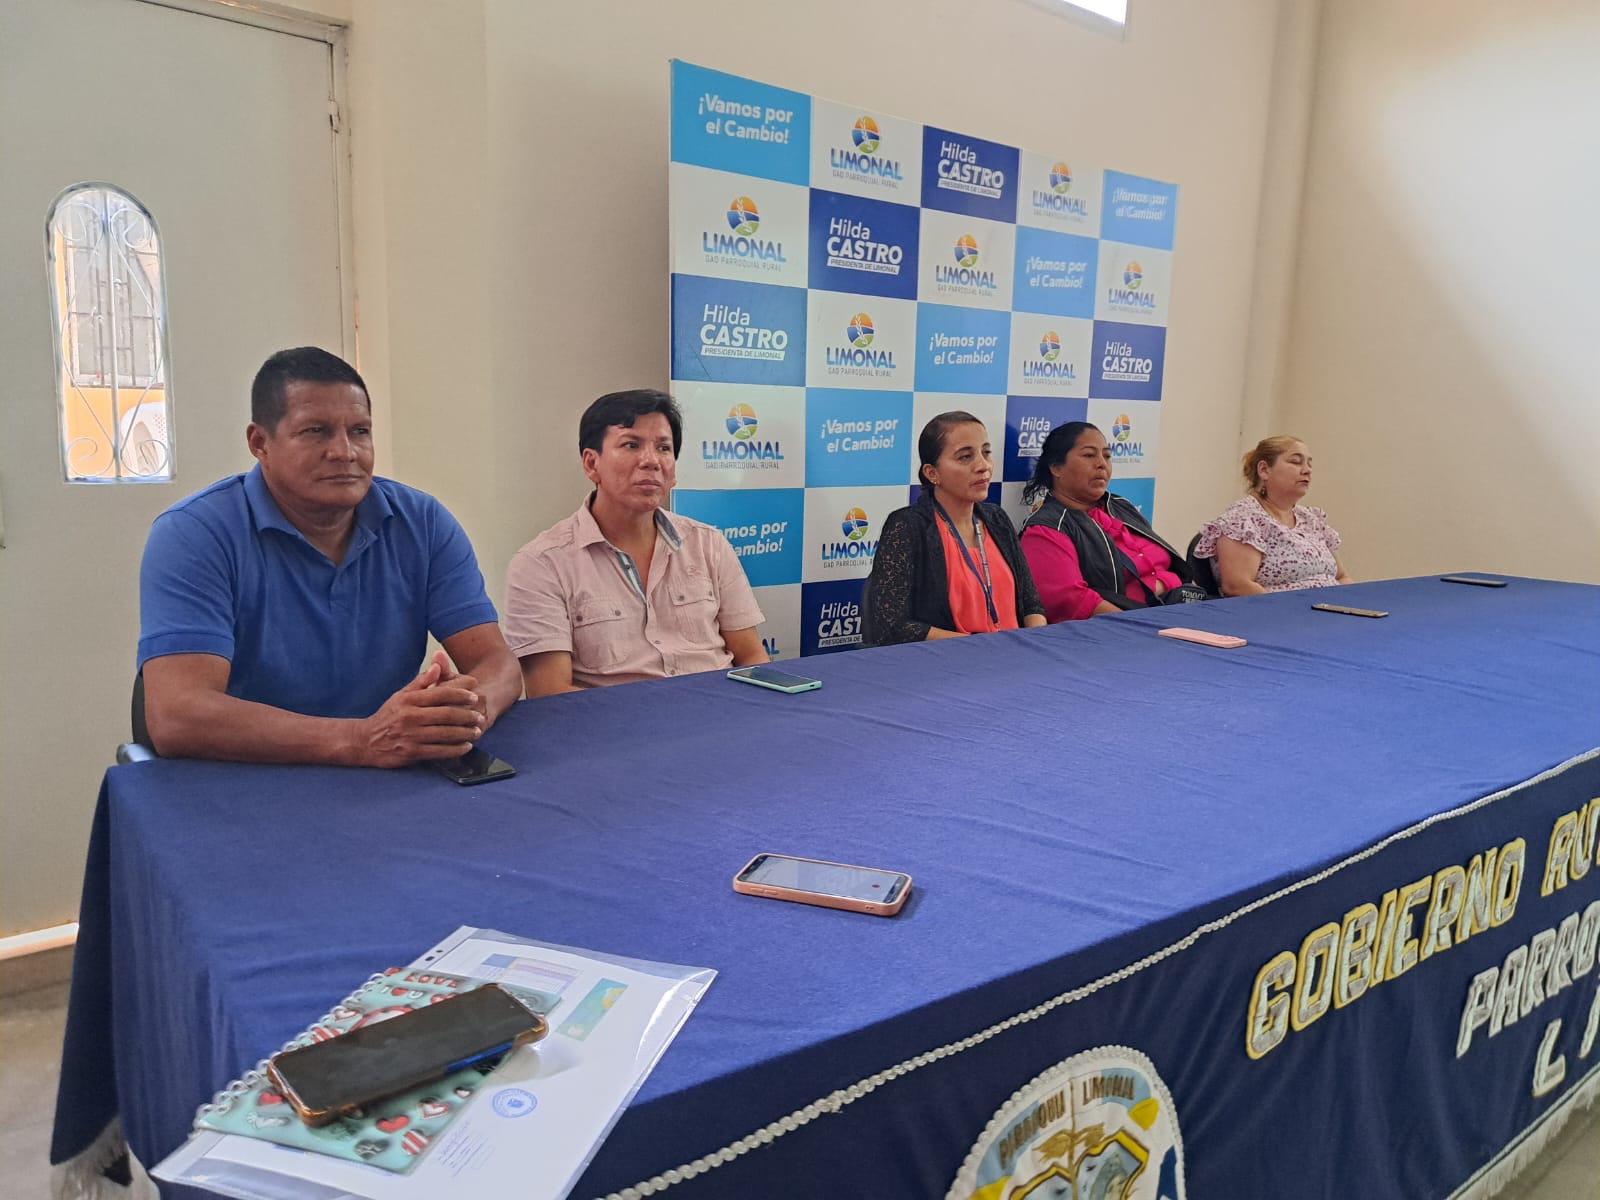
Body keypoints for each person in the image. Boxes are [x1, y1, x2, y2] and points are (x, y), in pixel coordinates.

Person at [138, 347, 521, 765]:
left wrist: (466, 711)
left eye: (360, 431)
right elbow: (178, 716)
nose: (345, 451)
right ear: (260, 443)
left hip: (391, 768)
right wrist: (360, 740)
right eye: (316, 431)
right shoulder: (195, 533)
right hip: (245, 776)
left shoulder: (422, 523)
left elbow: (496, 662)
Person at [503, 389, 766, 696]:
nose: (651, 461)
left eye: (664, 448)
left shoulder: (708, 544)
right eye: (631, 445)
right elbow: (549, 692)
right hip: (613, 722)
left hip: (722, 711)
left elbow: (751, 656)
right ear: (591, 464)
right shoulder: (542, 564)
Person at [865, 412, 1046, 644]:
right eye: (965, 457)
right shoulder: (907, 527)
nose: (983, 466)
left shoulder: (997, 519)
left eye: (986, 453)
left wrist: (1035, 642)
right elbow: (891, 626)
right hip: (951, 659)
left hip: (1014, 654)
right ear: (932, 473)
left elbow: (1031, 604)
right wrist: (977, 647)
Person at [1018, 421, 1205, 621]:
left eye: (1107, 456)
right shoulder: (1045, 529)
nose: (1102, 464)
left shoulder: (1120, 505)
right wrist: (1144, 623)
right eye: (1089, 455)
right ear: (1056, 467)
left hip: (1173, 610)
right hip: (1127, 626)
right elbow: (1074, 602)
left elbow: (1172, 566)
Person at [1194, 435, 1351, 595]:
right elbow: (1238, 586)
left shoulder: (1311, 518)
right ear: (1264, 470)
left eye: (1309, 464)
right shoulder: (1242, 519)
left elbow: (1342, 577)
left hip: (1331, 607)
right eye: (1295, 462)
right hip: (1283, 609)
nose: (1307, 470)